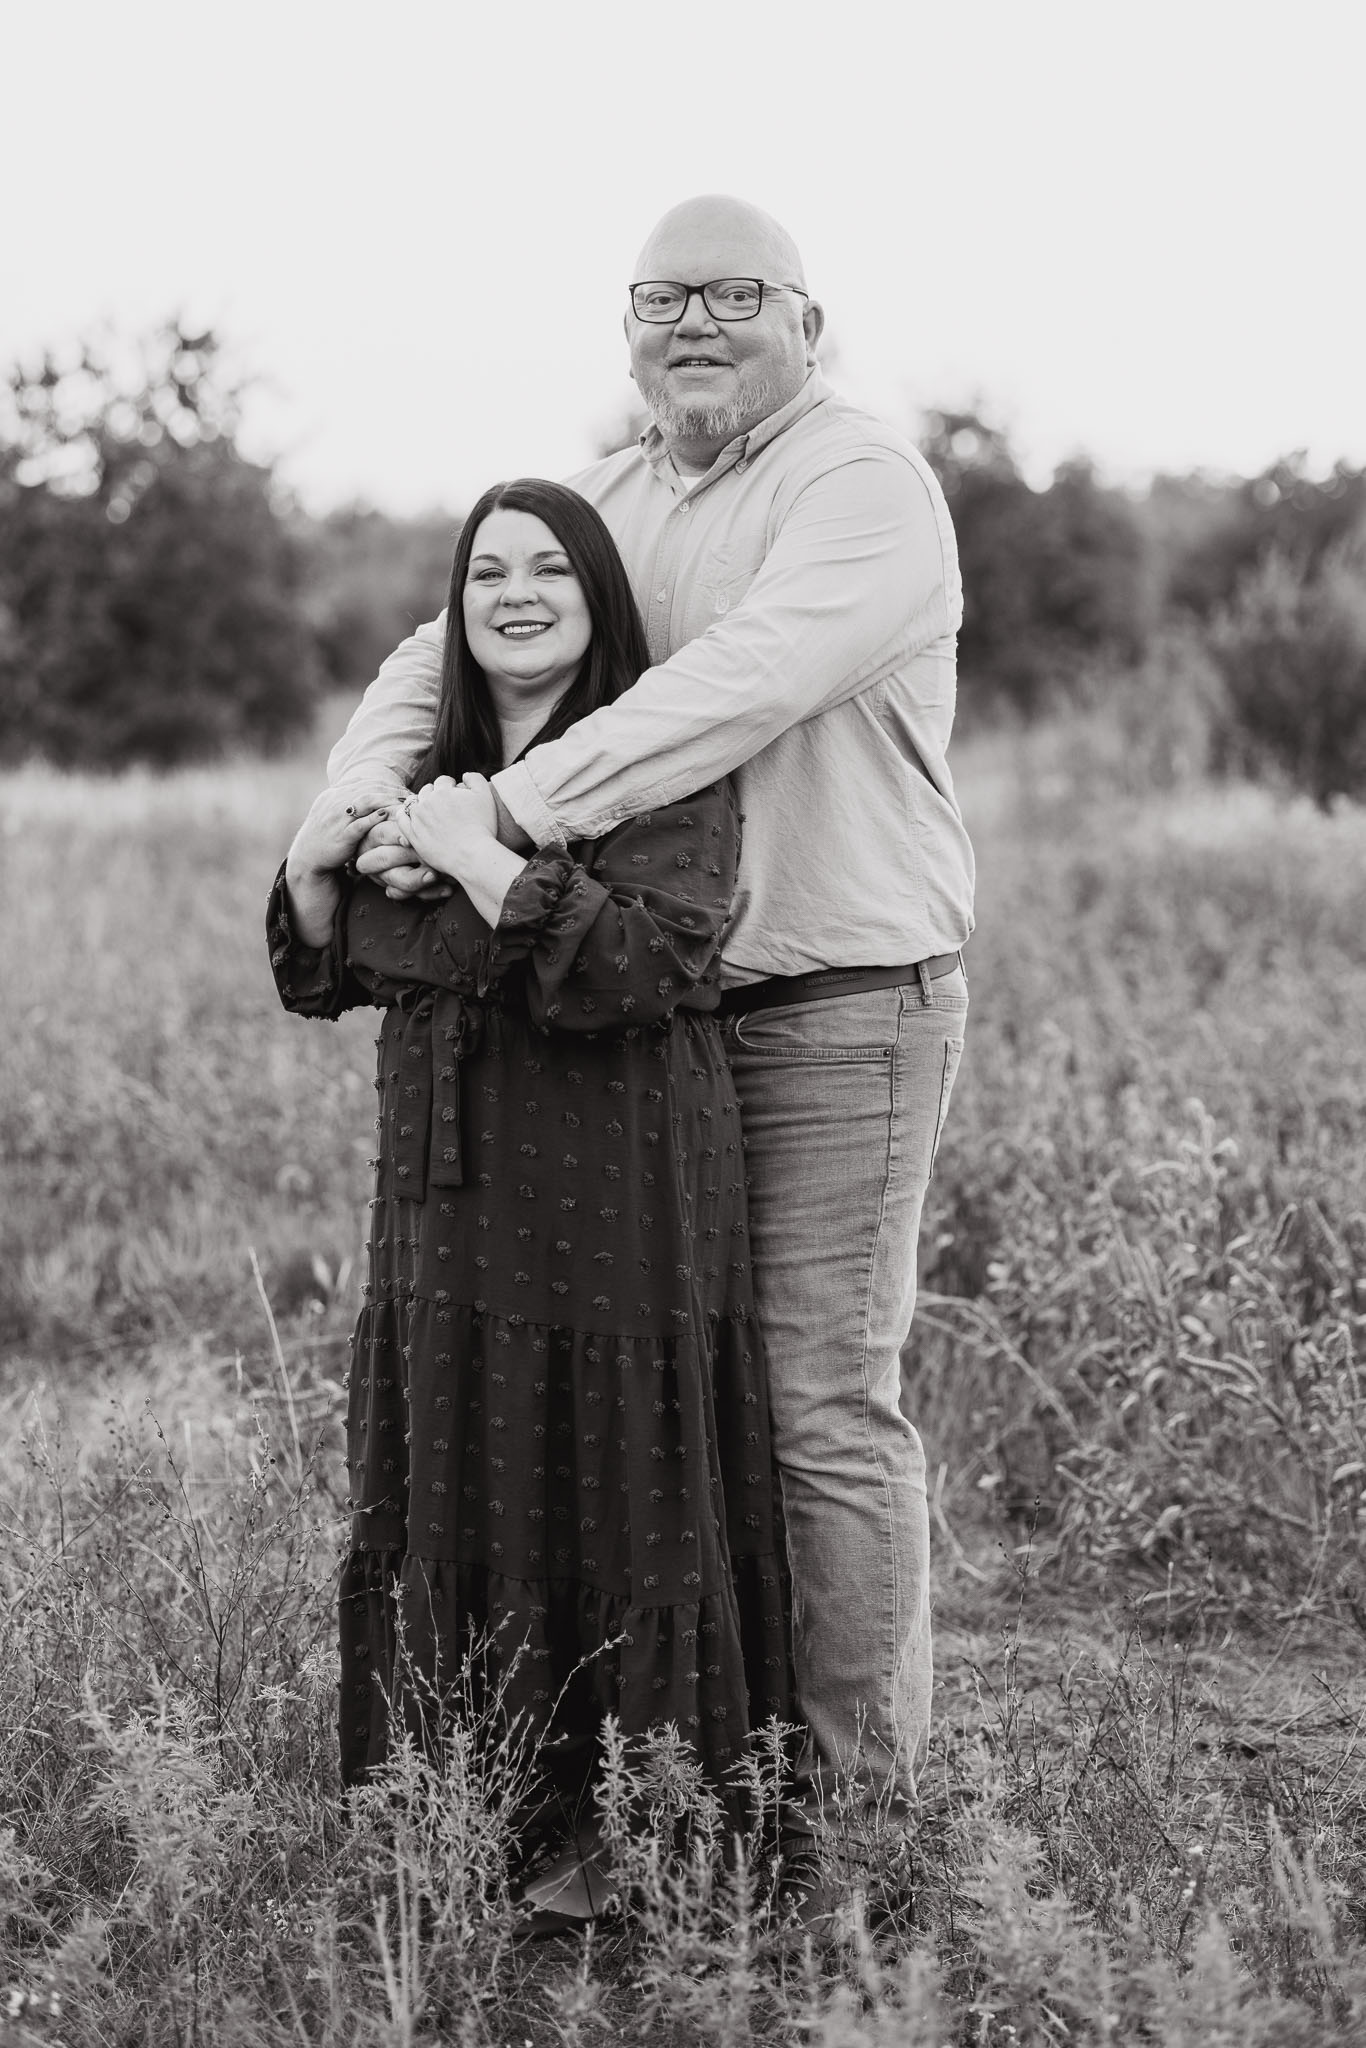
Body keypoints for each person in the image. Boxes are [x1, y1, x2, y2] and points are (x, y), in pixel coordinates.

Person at [329, 195, 975, 1853]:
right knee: (685, 1406)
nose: (696, 321)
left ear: (808, 324)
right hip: (644, 1034)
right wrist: (352, 806)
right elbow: (433, 649)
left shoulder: (857, 485)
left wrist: (500, 816)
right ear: (627, 329)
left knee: (815, 1404)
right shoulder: (616, 496)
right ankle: (690, 1792)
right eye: (663, 295)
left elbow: (738, 682)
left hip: (830, 1005)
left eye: (736, 292)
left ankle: (857, 1821)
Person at [271, 478, 791, 1924]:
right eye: (488, 571)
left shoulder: (652, 758)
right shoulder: (424, 769)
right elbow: (333, 965)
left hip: (618, 1168)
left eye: (550, 569)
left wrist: (470, 856)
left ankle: (644, 1838)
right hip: (448, 1181)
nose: (517, 595)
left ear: (596, 596)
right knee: (462, 1458)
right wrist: (315, 866)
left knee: (617, 1473)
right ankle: (470, 1816)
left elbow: (641, 964)